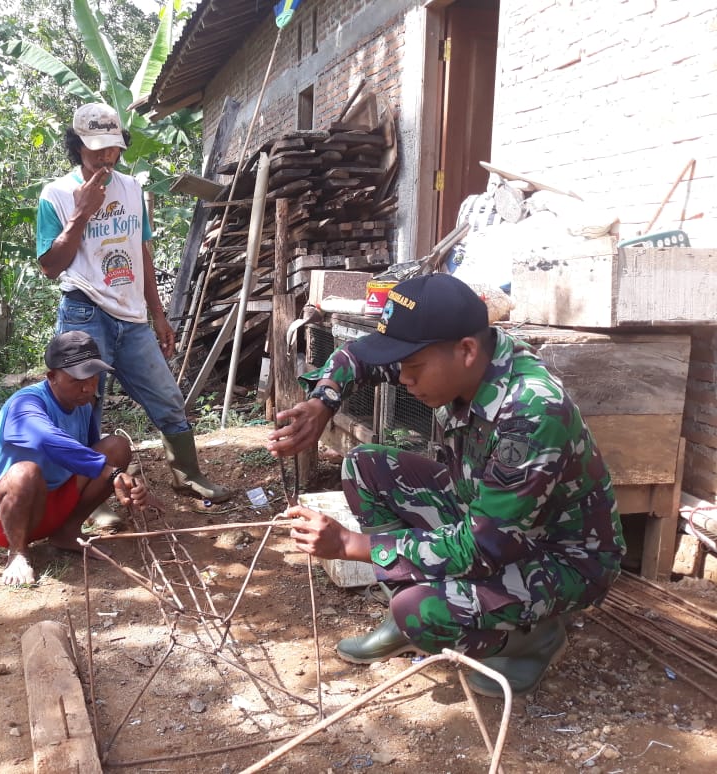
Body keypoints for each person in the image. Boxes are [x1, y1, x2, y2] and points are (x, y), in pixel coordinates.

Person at [267, 273, 626, 696]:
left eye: (413, 367)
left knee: (421, 611)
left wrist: (351, 544)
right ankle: (408, 611)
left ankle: (533, 640)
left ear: (467, 351)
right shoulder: (451, 356)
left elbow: (483, 547)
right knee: (365, 467)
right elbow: (358, 356)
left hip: (560, 558)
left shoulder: (531, 411)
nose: (403, 377)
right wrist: (322, 402)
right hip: (488, 516)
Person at [36, 102, 230, 504]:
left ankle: (187, 475)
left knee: (167, 396)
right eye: (97, 149)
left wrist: (158, 314)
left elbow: (141, 252)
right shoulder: (55, 194)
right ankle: (91, 498)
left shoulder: (131, 188)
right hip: (85, 313)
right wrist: (81, 213)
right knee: (85, 407)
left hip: (132, 317)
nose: (107, 156)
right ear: (77, 146)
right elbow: (51, 267)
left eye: (114, 147)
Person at [0, 331, 149, 586]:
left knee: (116, 447)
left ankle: (67, 532)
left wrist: (123, 479)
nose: (88, 387)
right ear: (52, 377)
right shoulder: (24, 405)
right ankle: (18, 553)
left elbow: (88, 453)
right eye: (76, 380)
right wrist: (108, 471)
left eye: (93, 377)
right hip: (4, 519)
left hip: (53, 505)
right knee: (25, 473)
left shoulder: (83, 404)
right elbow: (46, 440)